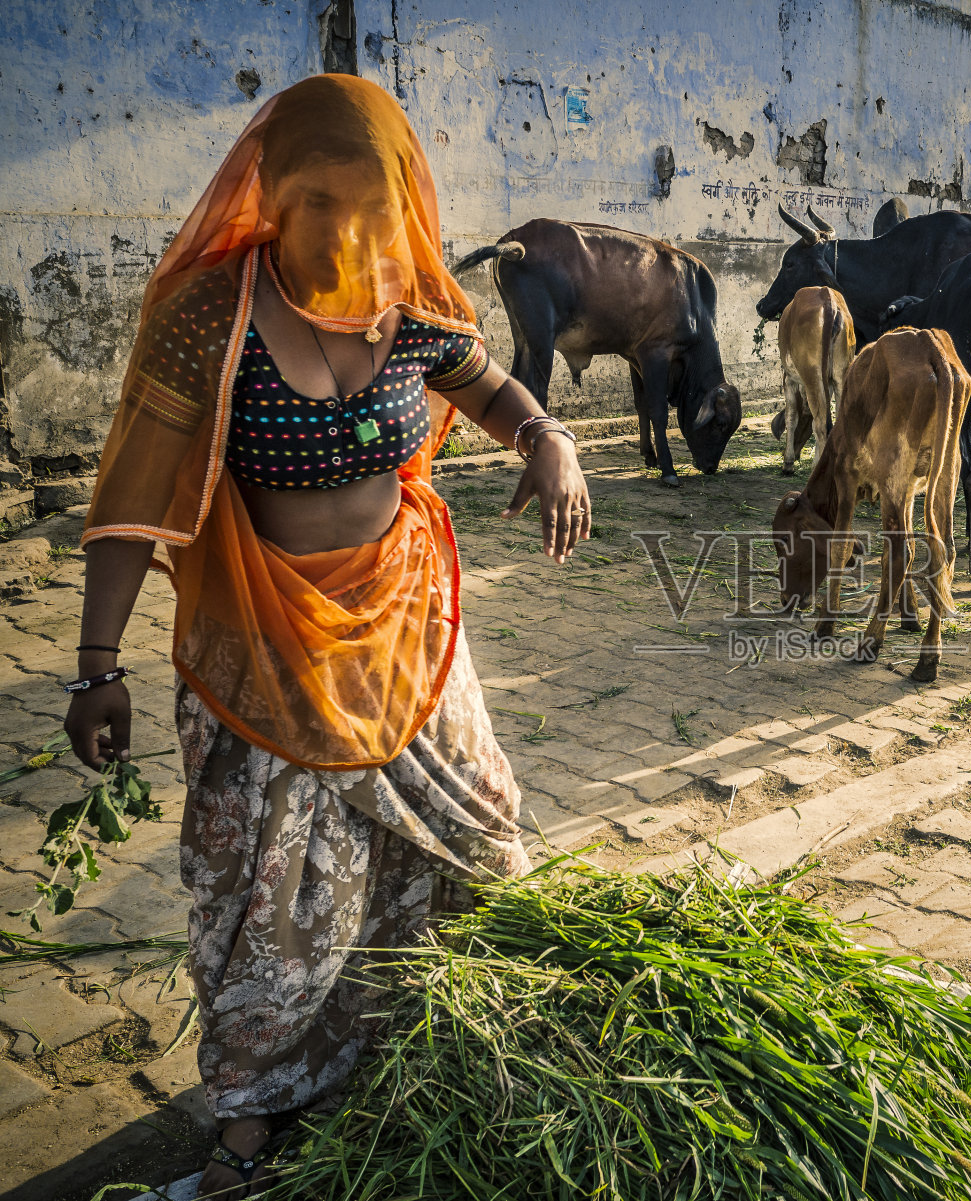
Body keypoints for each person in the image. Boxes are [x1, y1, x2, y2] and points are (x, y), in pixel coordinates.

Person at [63, 75, 589, 1198]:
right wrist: (95, 665)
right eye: (323, 207)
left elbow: (489, 385)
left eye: (373, 209)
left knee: (467, 840)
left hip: (407, 631)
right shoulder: (212, 315)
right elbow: (133, 503)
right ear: (274, 198)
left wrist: (548, 438)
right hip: (264, 646)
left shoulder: (411, 303)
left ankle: (425, 1059)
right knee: (271, 898)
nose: (353, 237)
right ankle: (247, 1138)